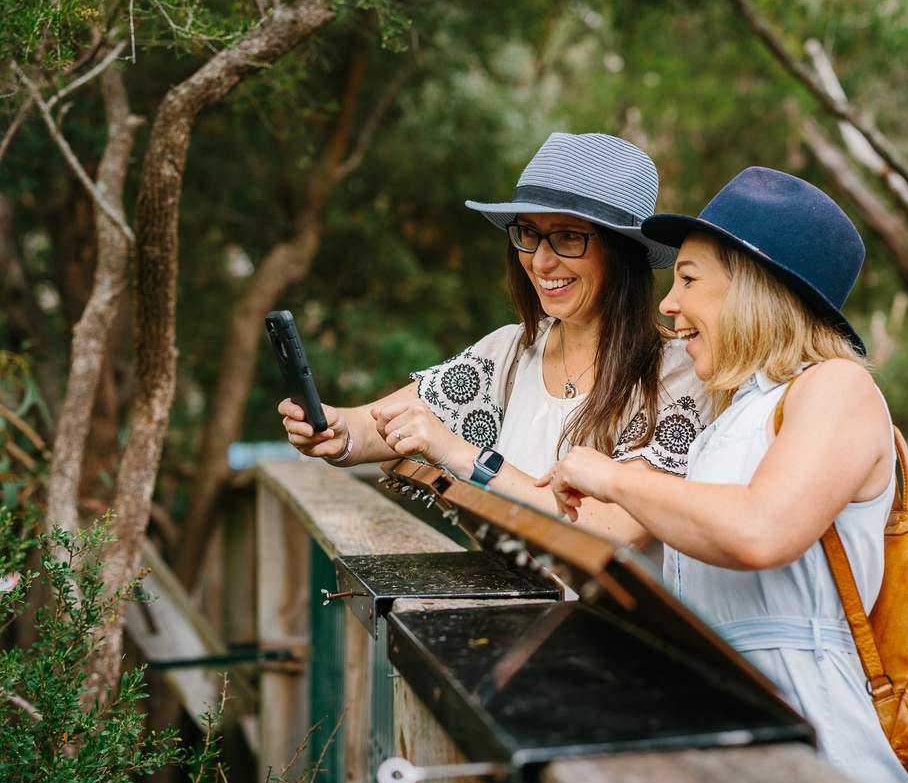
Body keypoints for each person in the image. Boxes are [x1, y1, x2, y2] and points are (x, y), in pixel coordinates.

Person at [539, 167, 908, 783]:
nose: (667, 304)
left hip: (817, 747)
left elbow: (759, 531)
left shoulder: (835, 387)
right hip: (727, 735)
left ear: (755, 286)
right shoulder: (731, 416)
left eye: (688, 279)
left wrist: (618, 478)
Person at [279, 133, 708, 546]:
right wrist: (335, 433)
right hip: (509, 616)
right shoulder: (510, 352)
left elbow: (613, 529)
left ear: (622, 253)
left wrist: (467, 458)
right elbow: (381, 423)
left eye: (568, 237)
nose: (540, 261)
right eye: (527, 233)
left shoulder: (678, 374)